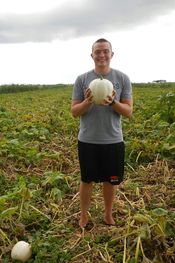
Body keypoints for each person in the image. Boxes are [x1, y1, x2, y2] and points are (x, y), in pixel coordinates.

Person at [71, 38, 133, 228]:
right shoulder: (82, 79)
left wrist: (113, 102)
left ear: (111, 54)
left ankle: (108, 214)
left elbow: (128, 111)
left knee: (110, 180)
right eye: (98, 51)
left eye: (105, 51)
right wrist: (88, 102)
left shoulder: (122, 78)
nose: (102, 55)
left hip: (113, 140)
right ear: (92, 55)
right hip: (87, 139)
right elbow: (74, 112)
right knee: (86, 179)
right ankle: (83, 216)